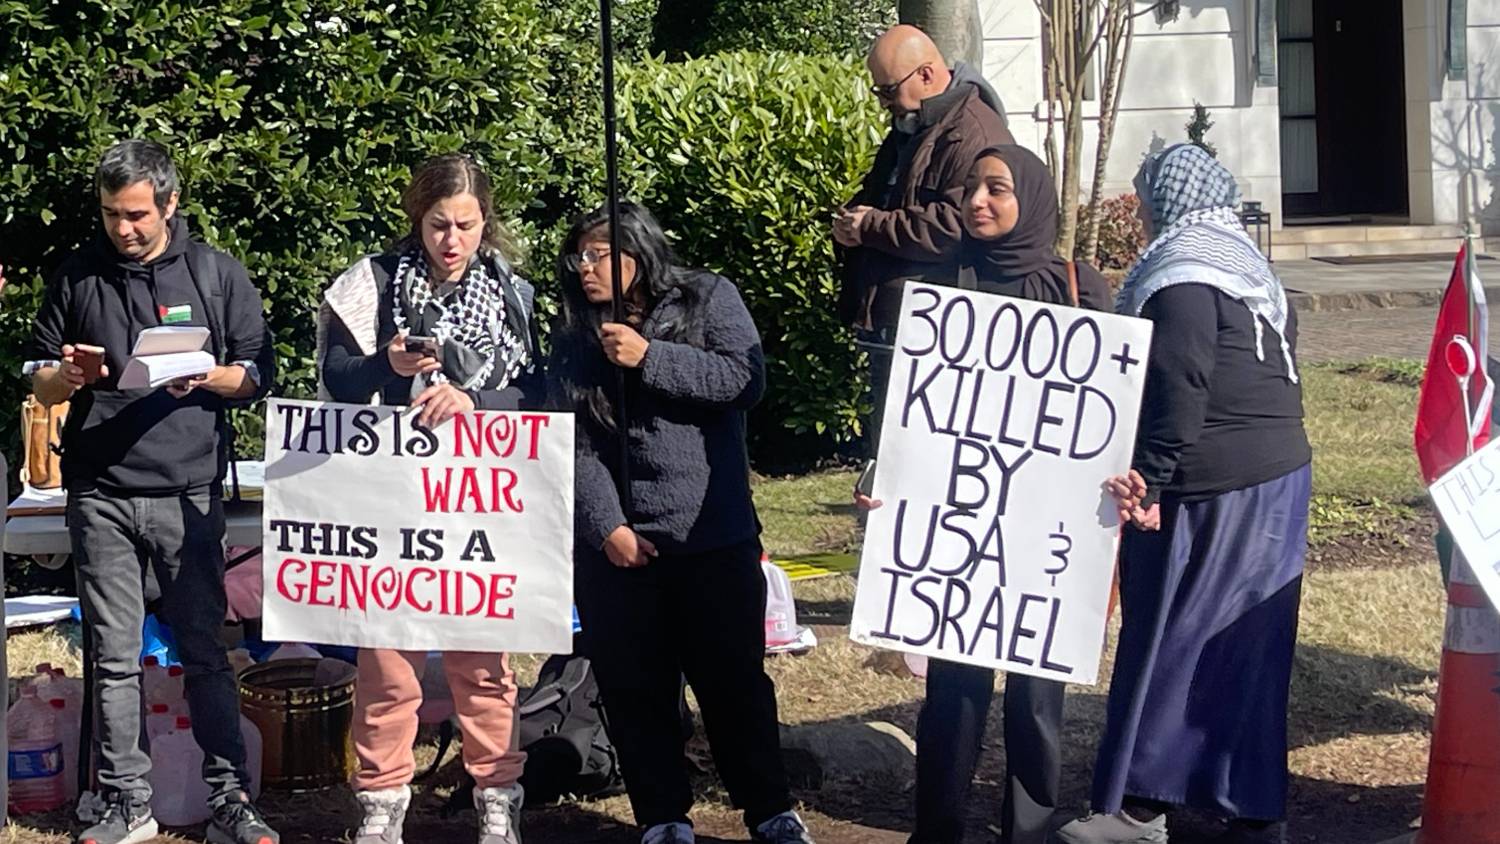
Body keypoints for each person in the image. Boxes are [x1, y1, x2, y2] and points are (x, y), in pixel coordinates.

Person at [1056, 143, 1312, 844]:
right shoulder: (1238, 260)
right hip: (1270, 480)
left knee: (1173, 637)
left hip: (1220, 489)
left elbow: (1182, 378)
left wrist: (1154, 476)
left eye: (1143, 197)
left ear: (1167, 198)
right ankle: (1252, 811)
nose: (1138, 210)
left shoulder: (1183, 274)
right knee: (1244, 646)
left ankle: (1142, 806)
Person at [26, 139, 278, 844]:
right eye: (111, 214)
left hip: (189, 488)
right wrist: (65, 378)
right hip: (101, 489)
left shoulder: (216, 274)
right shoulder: (78, 276)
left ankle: (230, 797)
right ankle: (125, 801)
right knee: (111, 656)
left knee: (204, 650)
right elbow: (39, 378)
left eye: (137, 214)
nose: (124, 228)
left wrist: (213, 377)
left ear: (170, 203)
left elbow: (259, 372)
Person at [856, 144, 1109, 844]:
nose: (978, 201)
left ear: (1031, 196)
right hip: (961, 527)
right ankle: (938, 828)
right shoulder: (938, 290)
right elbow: (909, 411)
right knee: (953, 691)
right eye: (973, 188)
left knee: (1036, 696)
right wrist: (884, 478)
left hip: (1046, 524)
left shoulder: (1078, 289)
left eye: (997, 188)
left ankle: (1029, 827)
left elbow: (1113, 411)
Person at [551, 202, 814, 844]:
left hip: (712, 535)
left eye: (599, 254)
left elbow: (743, 380)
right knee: (635, 688)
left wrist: (650, 357)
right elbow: (573, 441)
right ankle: (664, 817)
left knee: (735, 686)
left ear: (638, 252)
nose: (585, 267)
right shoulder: (574, 334)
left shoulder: (707, 297)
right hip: (620, 547)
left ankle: (770, 811)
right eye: (578, 256)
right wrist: (606, 525)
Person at [317, 154, 542, 844]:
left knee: (485, 657)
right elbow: (330, 377)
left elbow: (538, 391)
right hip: (390, 499)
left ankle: (497, 794)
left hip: (479, 500)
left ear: (485, 226)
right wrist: (385, 365)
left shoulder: (514, 294)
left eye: (466, 226)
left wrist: (474, 399)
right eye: (439, 224)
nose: (452, 240)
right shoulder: (371, 284)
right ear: (418, 220)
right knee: (387, 658)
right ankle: (382, 801)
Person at [835, 24, 1013, 453]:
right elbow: (883, 197)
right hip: (901, 322)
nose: (884, 104)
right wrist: (849, 222)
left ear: (928, 75)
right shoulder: (915, 126)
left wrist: (871, 226)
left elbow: (958, 225)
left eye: (888, 90)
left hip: (939, 328)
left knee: (922, 456)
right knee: (893, 455)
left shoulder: (974, 132)